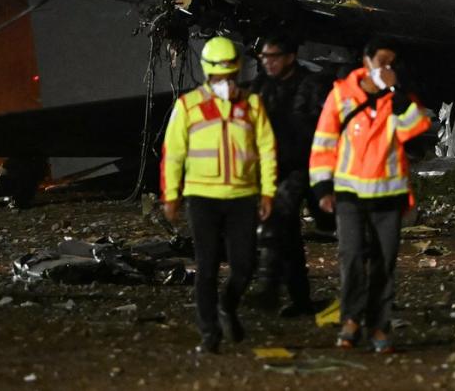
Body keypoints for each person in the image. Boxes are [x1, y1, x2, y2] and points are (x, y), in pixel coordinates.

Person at [309, 36, 430, 352]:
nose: (387, 68)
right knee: (351, 258)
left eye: (392, 63)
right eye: (382, 62)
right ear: (366, 62)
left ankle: (379, 326)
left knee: (383, 264)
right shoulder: (341, 95)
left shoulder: (398, 100)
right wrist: (322, 187)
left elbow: (415, 128)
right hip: (349, 193)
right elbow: (324, 142)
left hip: (388, 195)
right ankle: (351, 319)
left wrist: (398, 93)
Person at [161, 36, 277, 354]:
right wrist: (171, 195)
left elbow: (267, 150)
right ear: (208, 73)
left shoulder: (251, 106)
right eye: (219, 74)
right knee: (207, 266)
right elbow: (173, 153)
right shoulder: (188, 106)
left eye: (230, 74)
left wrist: (267, 192)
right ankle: (209, 333)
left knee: (244, 265)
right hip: (202, 197)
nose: (225, 80)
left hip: (242, 196)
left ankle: (227, 305)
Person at [249, 34, 327, 317]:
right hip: (273, 168)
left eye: (273, 57)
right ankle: (298, 298)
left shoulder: (311, 85)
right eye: (264, 58)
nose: (267, 63)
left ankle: (269, 288)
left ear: (290, 57)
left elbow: (324, 130)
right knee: (286, 233)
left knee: (278, 220)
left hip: (304, 167)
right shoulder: (261, 87)